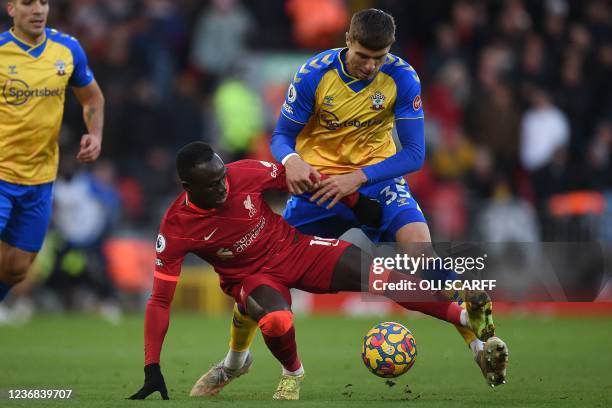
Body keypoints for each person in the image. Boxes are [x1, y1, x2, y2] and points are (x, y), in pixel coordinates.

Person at [199, 8, 501, 392]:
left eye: (380, 57)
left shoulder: (403, 78)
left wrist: (357, 178)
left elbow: (414, 154)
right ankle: (234, 362)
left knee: (420, 252)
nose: (371, 66)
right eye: (363, 56)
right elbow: (281, 136)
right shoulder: (314, 75)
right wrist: (291, 162)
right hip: (318, 189)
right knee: (262, 272)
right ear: (348, 41)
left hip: (375, 182)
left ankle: (479, 346)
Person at [128, 142, 508, 400]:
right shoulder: (176, 228)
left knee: (375, 273)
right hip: (253, 279)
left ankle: (464, 315)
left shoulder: (242, 173)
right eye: (212, 185)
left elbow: (306, 179)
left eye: (222, 177)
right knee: (276, 321)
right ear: (187, 186)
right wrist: (151, 366)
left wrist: (357, 203)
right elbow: (160, 300)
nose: (223, 189)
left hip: (296, 249)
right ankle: (293, 373)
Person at [0, 0, 104, 303]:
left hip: (41, 179)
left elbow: (92, 98)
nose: (38, 10)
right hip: (2, 173)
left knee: (17, 268)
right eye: (28, 3)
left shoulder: (67, 49)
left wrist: (95, 135)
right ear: (11, 9)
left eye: (43, 2)